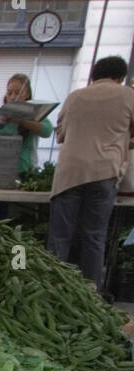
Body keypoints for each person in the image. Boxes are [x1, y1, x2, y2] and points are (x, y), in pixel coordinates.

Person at [47, 55, 134, 290]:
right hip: (103, 172)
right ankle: (90, 292)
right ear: (120, 77)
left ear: (94, 75)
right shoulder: (128, 96)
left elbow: (61, 134)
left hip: (69, 174)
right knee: (94, 236)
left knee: (59, 237)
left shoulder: (75, 97)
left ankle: (52, 289)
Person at [0, 74, 53, 174]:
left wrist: (22, 121)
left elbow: (47, 131)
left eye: (17, 93)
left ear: (27, 94)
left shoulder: (35, 114)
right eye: (9, 92)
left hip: (26, 172)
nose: (12, 97)